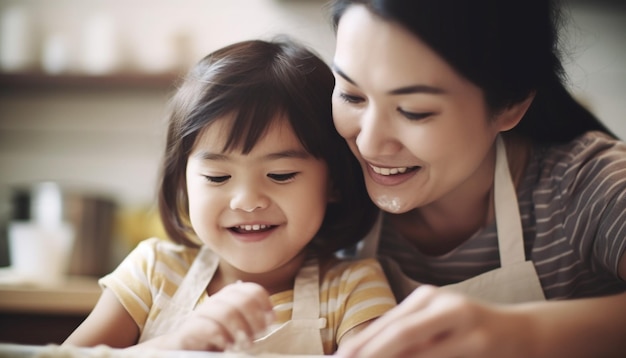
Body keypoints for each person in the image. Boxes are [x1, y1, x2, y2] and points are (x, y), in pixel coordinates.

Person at [328, 0, 626, 357]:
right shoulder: (320, 189)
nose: (368, 143)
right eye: (351, 95)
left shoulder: (588, 184)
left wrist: (522, 333)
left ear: (510, 106)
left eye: (414, 111)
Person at [63, 37, 396, 355]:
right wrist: (180, 346)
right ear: (183, 182)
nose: (247, 201)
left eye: (280, 175)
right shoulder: (153, 273)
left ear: (335, 182)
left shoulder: (353, 288)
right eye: (217, 177)